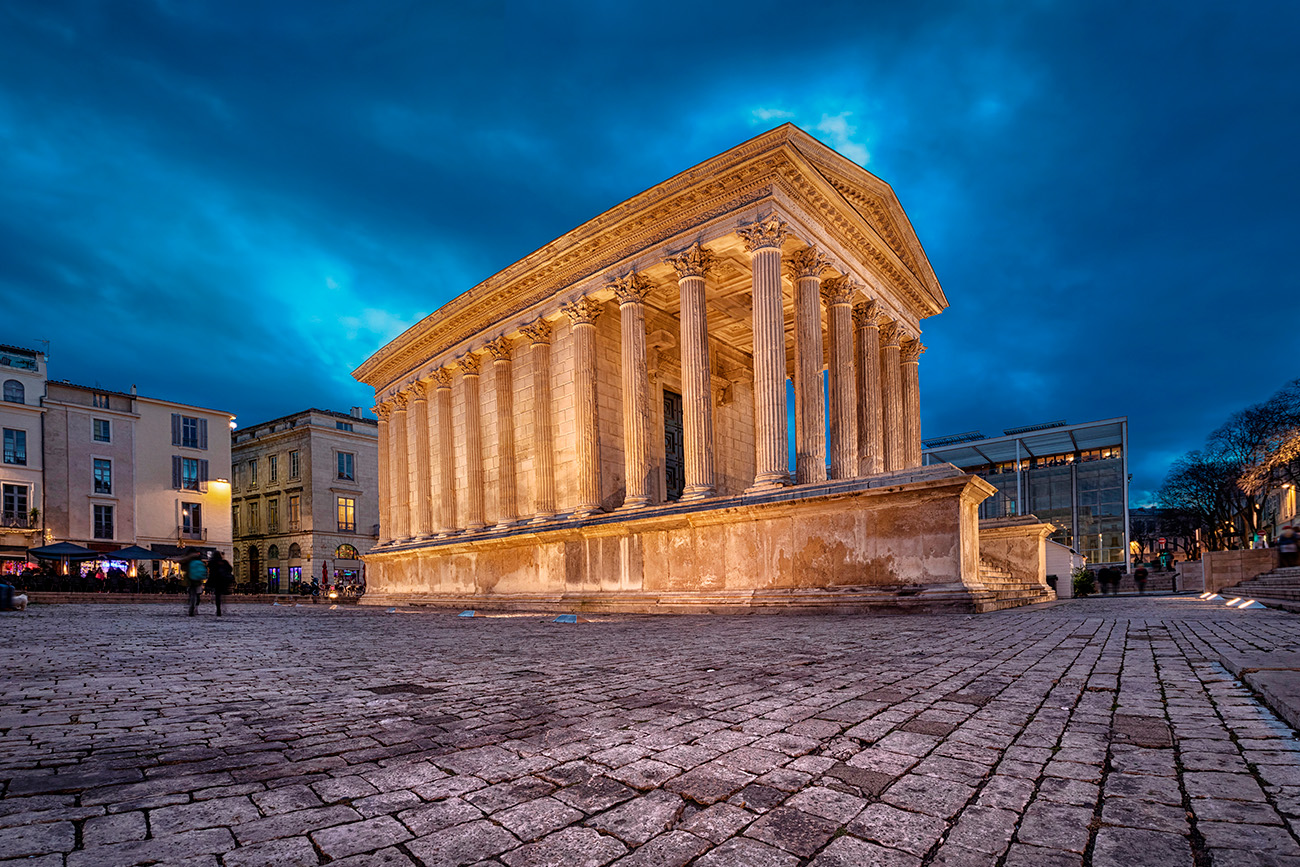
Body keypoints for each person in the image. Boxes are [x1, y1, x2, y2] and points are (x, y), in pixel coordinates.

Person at [180, 551, 208, 616]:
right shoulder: (200, 562)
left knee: (191, 593)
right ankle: (195, 606)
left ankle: (191, 606)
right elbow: (204, 571)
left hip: (190, 579)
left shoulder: (190, 562)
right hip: (198, 580)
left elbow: (184, 568)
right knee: (197, 594)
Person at [207, 551, 233, 616]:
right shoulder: (224, 562)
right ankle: (221, 607)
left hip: (215, 581)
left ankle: (218, 609)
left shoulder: (212, 562)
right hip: (223, 581)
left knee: (217, 595)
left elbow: (210, 571)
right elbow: (230, 569)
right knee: (221, 595)